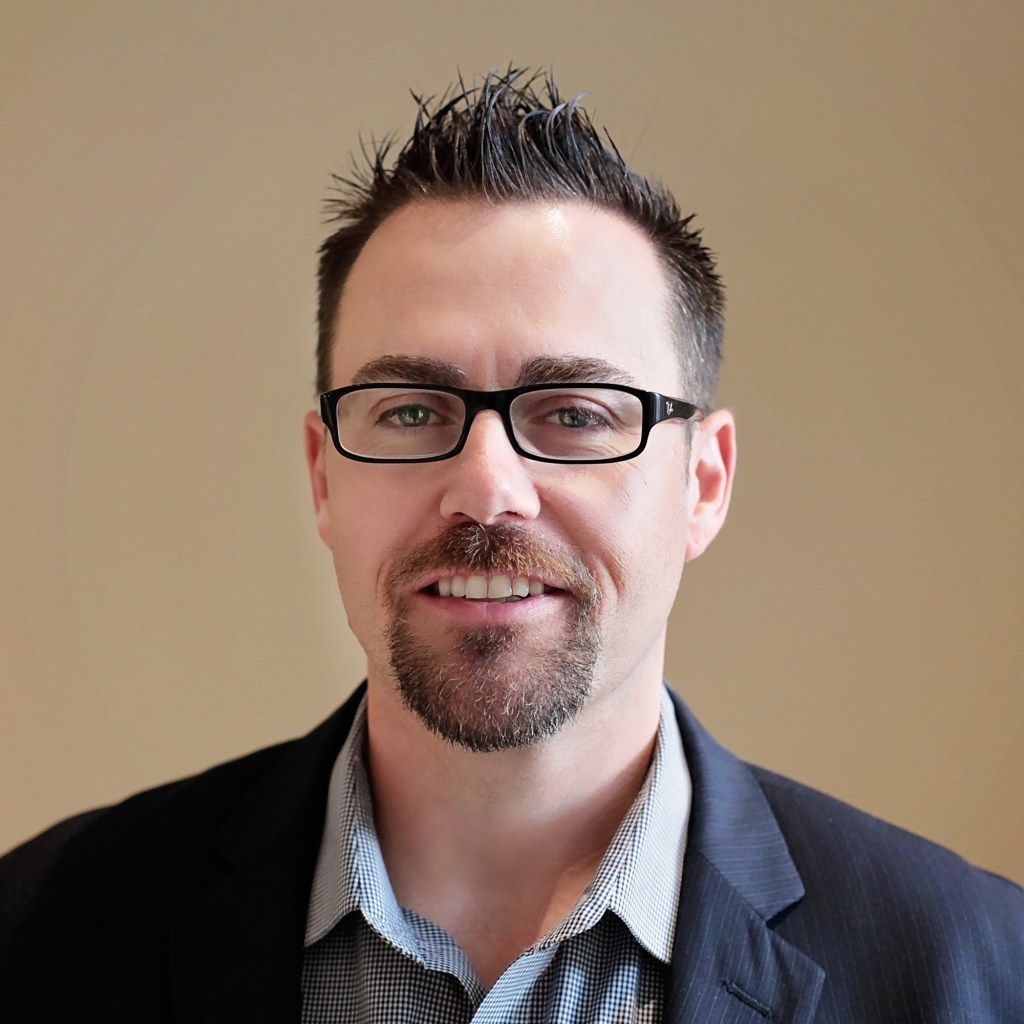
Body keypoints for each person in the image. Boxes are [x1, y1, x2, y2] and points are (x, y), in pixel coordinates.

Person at [1, 68, 1021, 1023]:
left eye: (575, 412)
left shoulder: (978, 972)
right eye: (410, 410)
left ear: (703, 483)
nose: (487, 488)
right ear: (323, 476)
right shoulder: (35, 936)